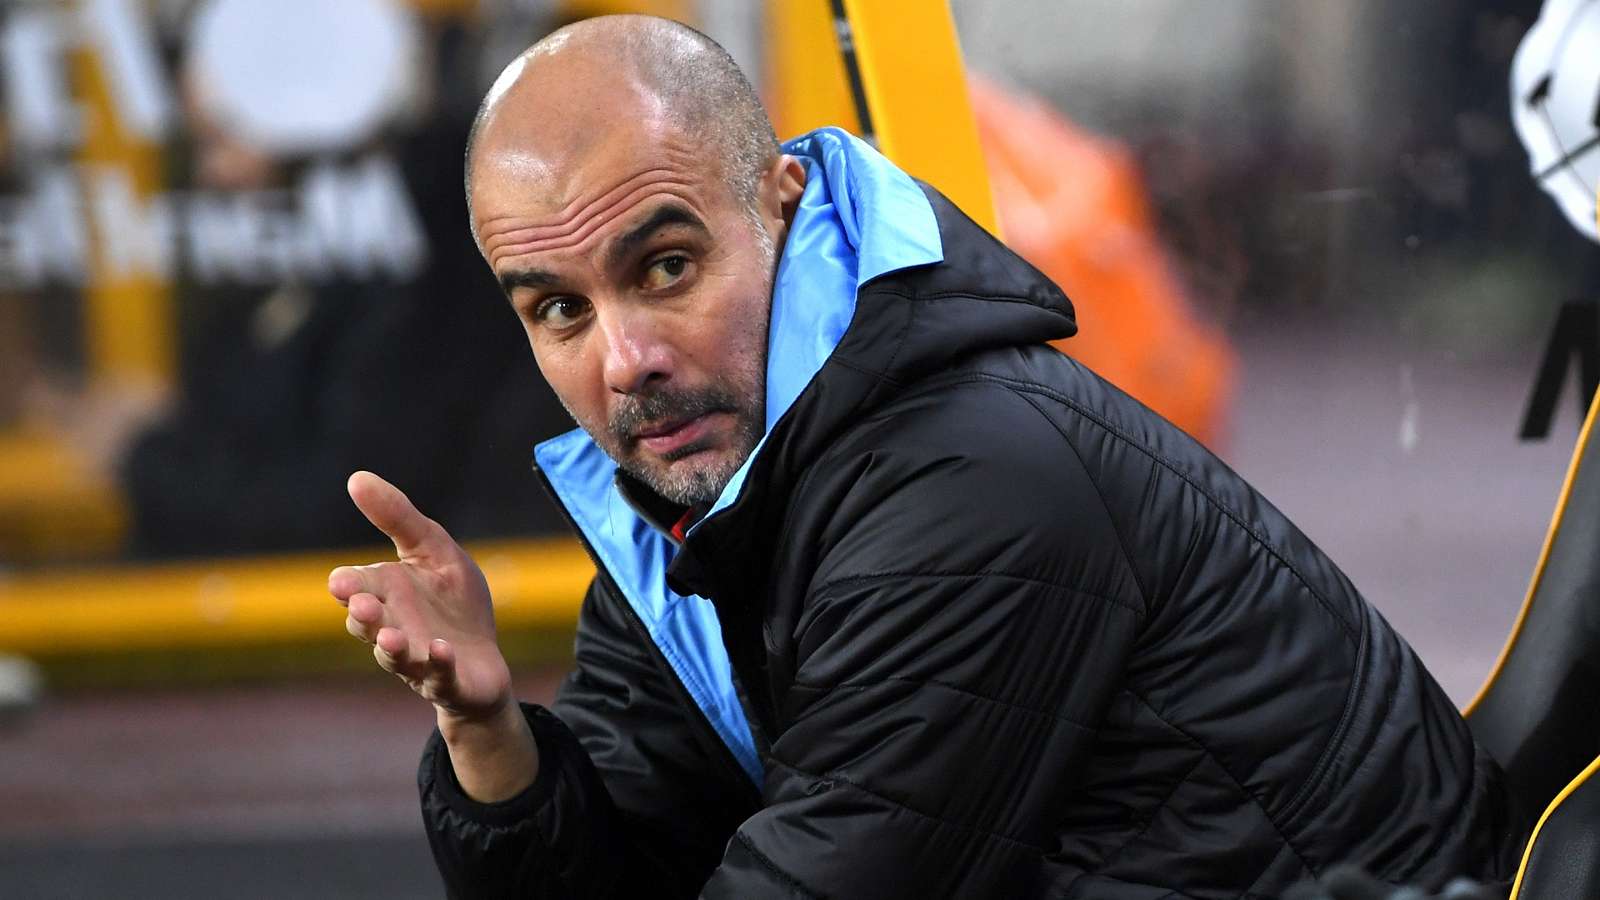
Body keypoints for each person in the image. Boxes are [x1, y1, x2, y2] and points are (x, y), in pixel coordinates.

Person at [328, 15, 1527, 898]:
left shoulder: (967, 482)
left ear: (782, 202)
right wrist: (489, 735)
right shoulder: (702, 499)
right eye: (559, 311)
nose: (626, 359)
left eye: (668, 268)